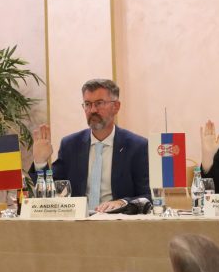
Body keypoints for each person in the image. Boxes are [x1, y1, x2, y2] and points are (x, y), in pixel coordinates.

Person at [31, 79, 150, 213]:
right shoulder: (70, 145)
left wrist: (122, 202)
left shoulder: (137, 146)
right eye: (87, 104)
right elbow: (52, 194)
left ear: (116, 107)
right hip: (78, 221)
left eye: (99, 103)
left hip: (117, 221)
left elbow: (147, 196)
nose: (93, 110)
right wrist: (40, 162)